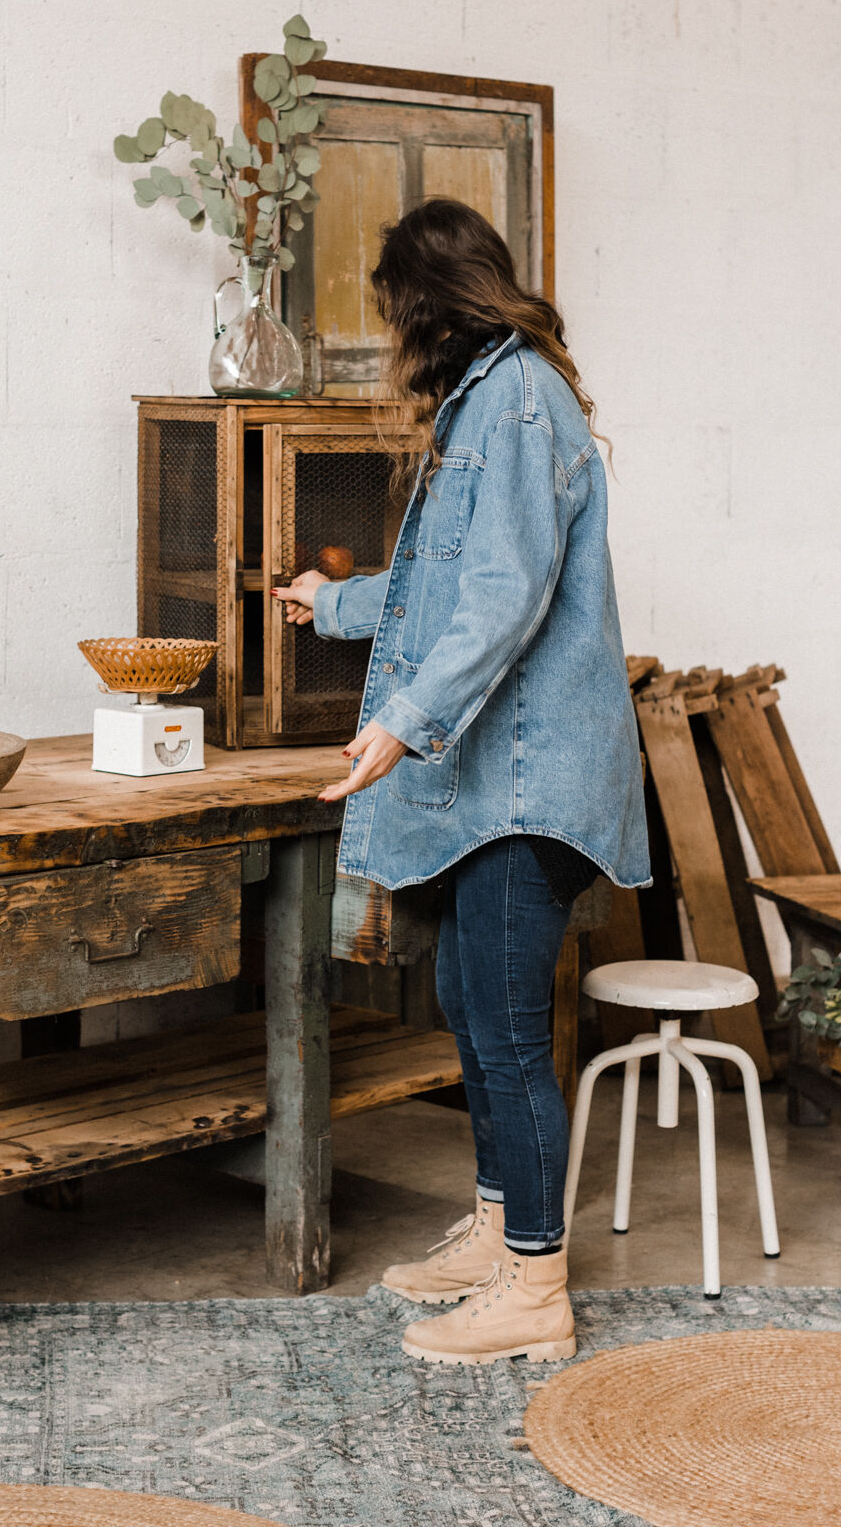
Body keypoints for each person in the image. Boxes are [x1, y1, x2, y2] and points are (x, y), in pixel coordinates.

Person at [273, 198, 651, 1367]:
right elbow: (441, 586)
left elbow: (504, 598)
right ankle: (500, 1237)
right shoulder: (491, 396)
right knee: (475, 1013)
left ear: (429, 303)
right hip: (495, 777)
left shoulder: (520, 400)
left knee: (505, 1034)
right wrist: (327, 602)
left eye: (395, 315)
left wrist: (400, 722)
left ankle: (536, 1291)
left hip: (529, 777)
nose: (395, 340)